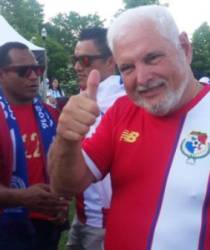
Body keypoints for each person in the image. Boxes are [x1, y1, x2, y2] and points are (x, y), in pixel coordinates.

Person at [49, 5, 210, 250]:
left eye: (153, 58)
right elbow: (65, 186)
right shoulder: (120, 112)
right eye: (127, 67)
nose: (143, 77)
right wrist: (67, 138)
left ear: (185, 49)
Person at [0, 42, 68, 250]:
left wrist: (62, 200)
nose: (33, 76)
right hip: (6, 228)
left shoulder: (51, 115)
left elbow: (63, 165)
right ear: (2, 74)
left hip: (48, 223)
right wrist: (21, 197)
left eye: (37, 69)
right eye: (23, 71)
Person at [66, 27, 125, 250]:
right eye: (76, 59)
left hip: (107, 224)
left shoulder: (125, 101)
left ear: (110, 61)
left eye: (86, 60)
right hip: (81, 215)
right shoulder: (81, 99)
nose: (77, 66)